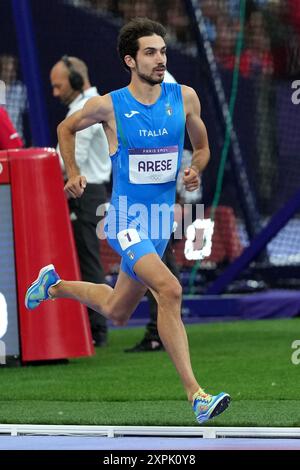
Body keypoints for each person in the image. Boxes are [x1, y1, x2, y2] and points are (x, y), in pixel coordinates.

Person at [25, 18, 230, 424]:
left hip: (158, 223)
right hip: (124, 220)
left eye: (163, 52)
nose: (160, 59)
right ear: (129, 60)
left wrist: (196, 169)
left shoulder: (185, 98)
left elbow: (203, 147)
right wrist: (73, 171)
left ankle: (55, 285)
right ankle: (197, 395)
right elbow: (66, 127)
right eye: (150, 52)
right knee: (169, 289)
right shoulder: (109, 105)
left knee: (118, 311)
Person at [50, 56, 111, 346]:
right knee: (85, 258)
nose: (55, 92)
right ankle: (91, 326)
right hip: (89, 191)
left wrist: (44, 160)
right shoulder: (85, 106)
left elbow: (72, 161)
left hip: (86, 191)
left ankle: (97, 329)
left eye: (58, 85)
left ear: (76, 80)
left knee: (88, 260)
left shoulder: (88, 108)